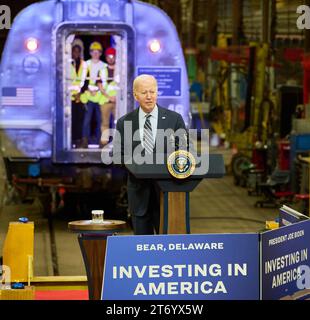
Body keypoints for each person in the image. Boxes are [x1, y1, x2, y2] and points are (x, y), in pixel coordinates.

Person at [113, 74, 187, 235]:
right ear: (135, 95)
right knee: (142, 247)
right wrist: (135, 163)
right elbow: (117, 156)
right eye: (144, 92)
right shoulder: (124, 122)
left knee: (167, 244)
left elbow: (185, 151)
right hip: (138, 195)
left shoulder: (174, 120)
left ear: (157, 93)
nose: (149, 96)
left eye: (152, 92)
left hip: (167, 194)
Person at [80, 42, 108, 148]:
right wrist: (87, 89)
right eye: (93, 52)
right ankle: (84, 140)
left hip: (100, 96)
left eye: (97, 52)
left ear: (100, 53)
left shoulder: (104, 65)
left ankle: (100, 141)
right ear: (90, 53)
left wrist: (98, 90)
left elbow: (104, 82)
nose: (95, 54)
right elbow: (82, 80)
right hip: (88, 95)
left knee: (100, 119)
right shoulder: (85, 64)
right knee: (87, 120)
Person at [99, 47, 120, 147]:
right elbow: (99, 85)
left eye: (113, 56)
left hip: (118, 102)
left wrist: (116, 97)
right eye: (109, 56)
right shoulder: (102, 70)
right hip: (105, 101)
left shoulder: (121, 70)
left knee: (118, 123)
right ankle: (104, 143)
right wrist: (109, 97)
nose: (111, 58)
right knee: (105, 123)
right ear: (106, 58)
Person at [69, 44, 87, 148]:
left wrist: (80, 93)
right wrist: (73, 93)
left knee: (80, 120)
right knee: (71, 120)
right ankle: (70, 139)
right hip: (69, 97)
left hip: (81, 97)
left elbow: (86, 81)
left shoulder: (84, 64)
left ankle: (78, 139)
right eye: (74, 51)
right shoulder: (67, 63)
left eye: (77, 51)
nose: (76, 53)